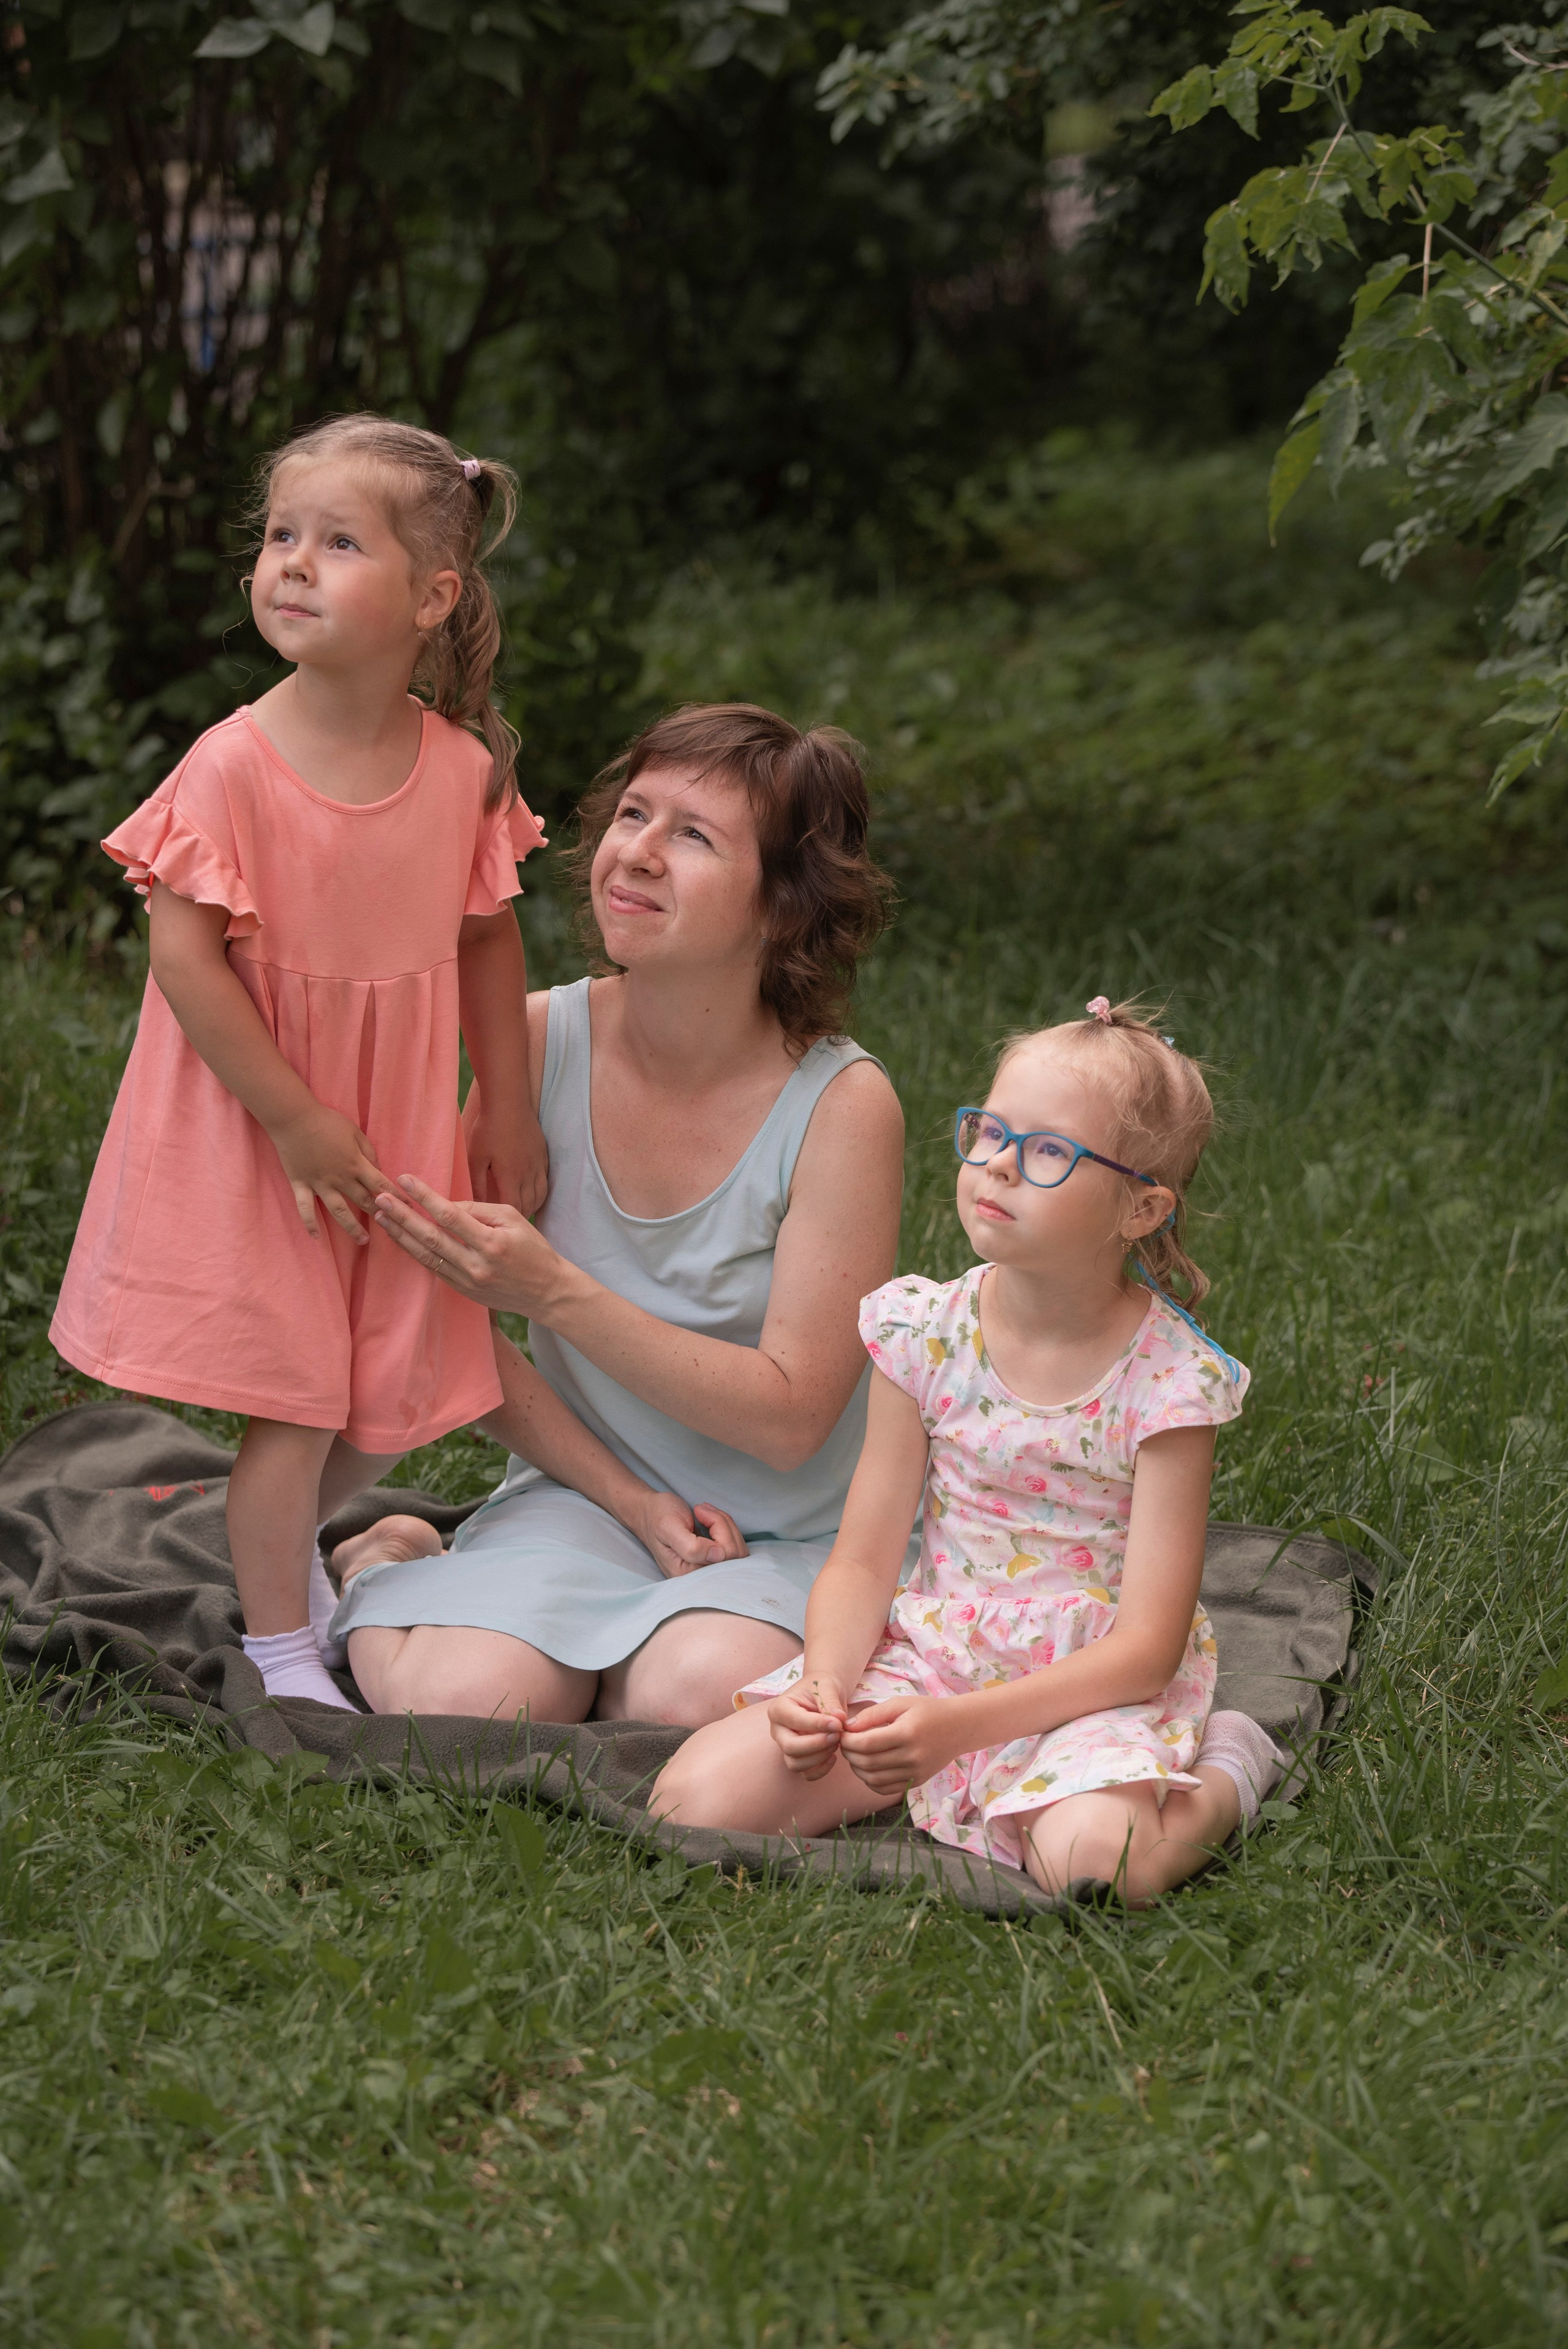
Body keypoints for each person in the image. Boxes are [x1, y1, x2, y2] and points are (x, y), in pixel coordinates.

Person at [50, 413, 548, 1710]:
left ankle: (286, 1562)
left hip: (390, 1127)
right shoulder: (231, 765)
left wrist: (500, 1097)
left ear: (432, 596)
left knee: (384, 1383)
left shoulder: (460, 774)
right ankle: (277, 1645)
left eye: (336, 542)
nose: (291, 563)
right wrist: (293, 1123)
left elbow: (487, 939)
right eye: (280, 536)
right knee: (297, 1395)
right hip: (263, 1120)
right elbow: (185, 962)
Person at [326, 702, 908, 1726]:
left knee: (694, 1699)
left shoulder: (843, 1106)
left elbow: (790, 1420)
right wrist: (631, 1502)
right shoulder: (536, 1044)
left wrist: (554, 1293)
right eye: (633, 814)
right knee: (472, 1706)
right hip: (585, 1493)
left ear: (783, 905)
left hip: (790, 1526)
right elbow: (444, 1321)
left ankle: (590, 1638)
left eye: (693, 836)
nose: (635, 853)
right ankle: (386, 1557)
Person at [652, 997, 1285, 1902]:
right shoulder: (924, 1333)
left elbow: (1147, 1647)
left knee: (1098, 1867)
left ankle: (1227, 1771)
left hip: (1086, 1684)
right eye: (991, 1131)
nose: (997, 1165)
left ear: (1141, 1207)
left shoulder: (1168, 1383)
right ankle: (932, 1771)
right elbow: (865, 1559)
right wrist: (825, 1689)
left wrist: (956, 1730)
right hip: (937, 1656)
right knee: (690, 1799)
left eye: (1049, 1152)